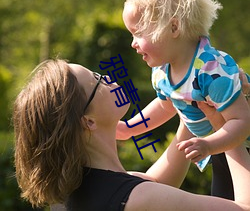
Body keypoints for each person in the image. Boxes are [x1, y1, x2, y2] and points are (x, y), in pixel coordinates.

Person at [13, 59, 250, 211]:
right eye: (98, 81)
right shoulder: (138, 199)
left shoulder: (74, 194)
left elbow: (157, 182)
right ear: (88, 121)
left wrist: (190, 99)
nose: (109, 78)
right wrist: (226, 126)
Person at [119, 0, 250, 199]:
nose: (133, 44)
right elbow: (165, 106)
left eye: (138, 33)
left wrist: (209, 145)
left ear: (173, 28)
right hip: (221, 149)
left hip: (239, 146)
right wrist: (130, 128)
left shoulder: (210, 70)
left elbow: (242, 121)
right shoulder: (162, 71)